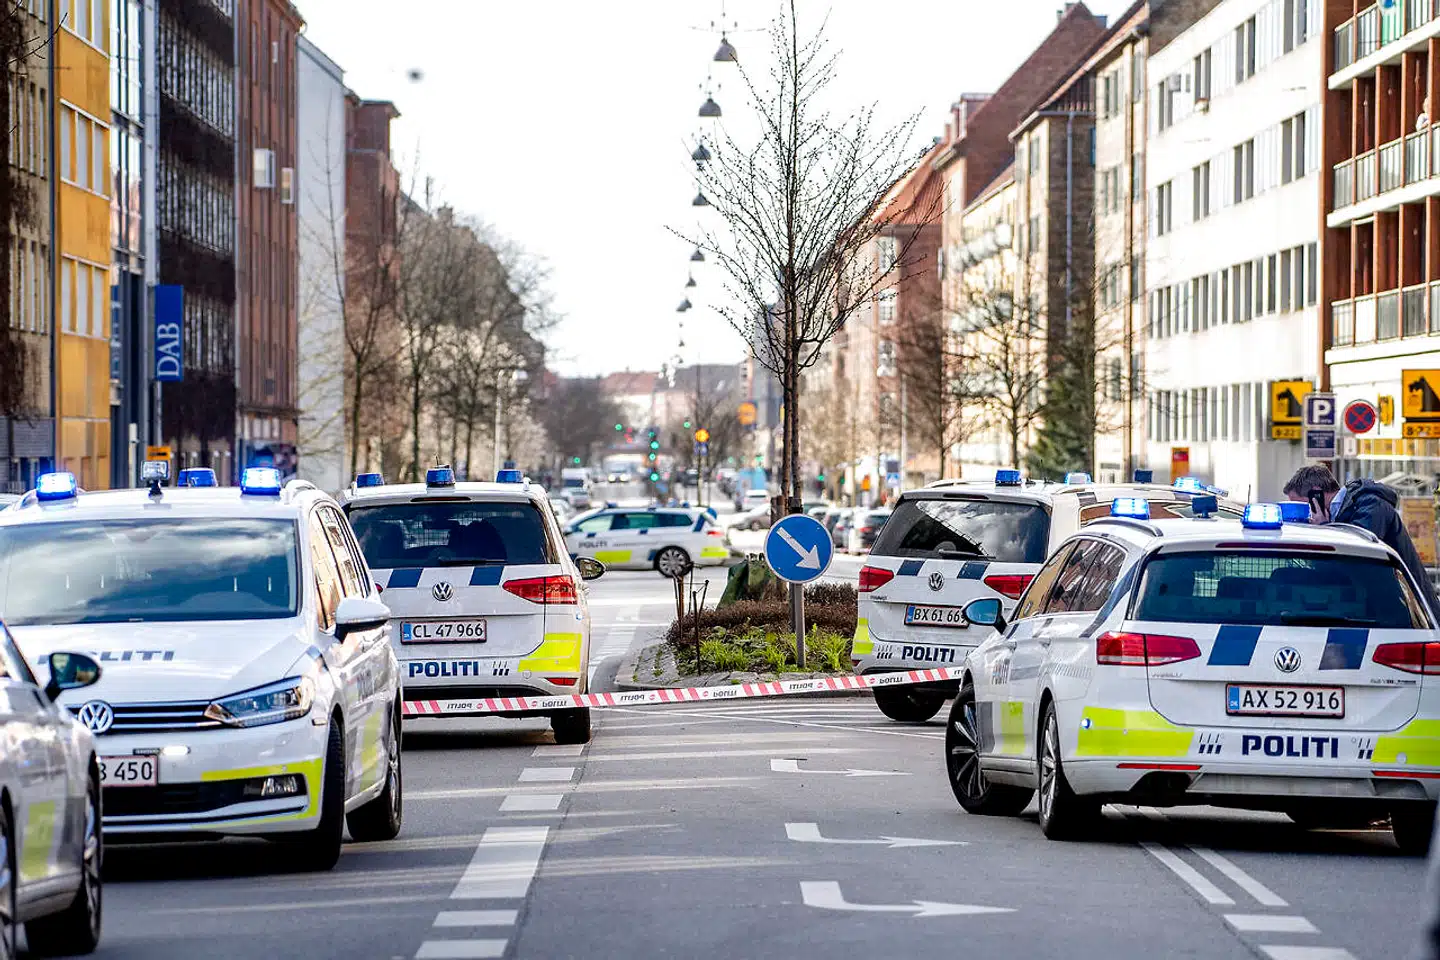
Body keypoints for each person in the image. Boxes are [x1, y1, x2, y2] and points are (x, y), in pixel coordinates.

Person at [1283, 464, 1440, 613]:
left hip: (1407, 612)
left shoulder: (1370, 504)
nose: (1304, 513)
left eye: (1301, 505)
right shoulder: (1337, 514)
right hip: (1378, 610)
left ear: (1315, 494)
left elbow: (1357, 552)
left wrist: (1325, 527)